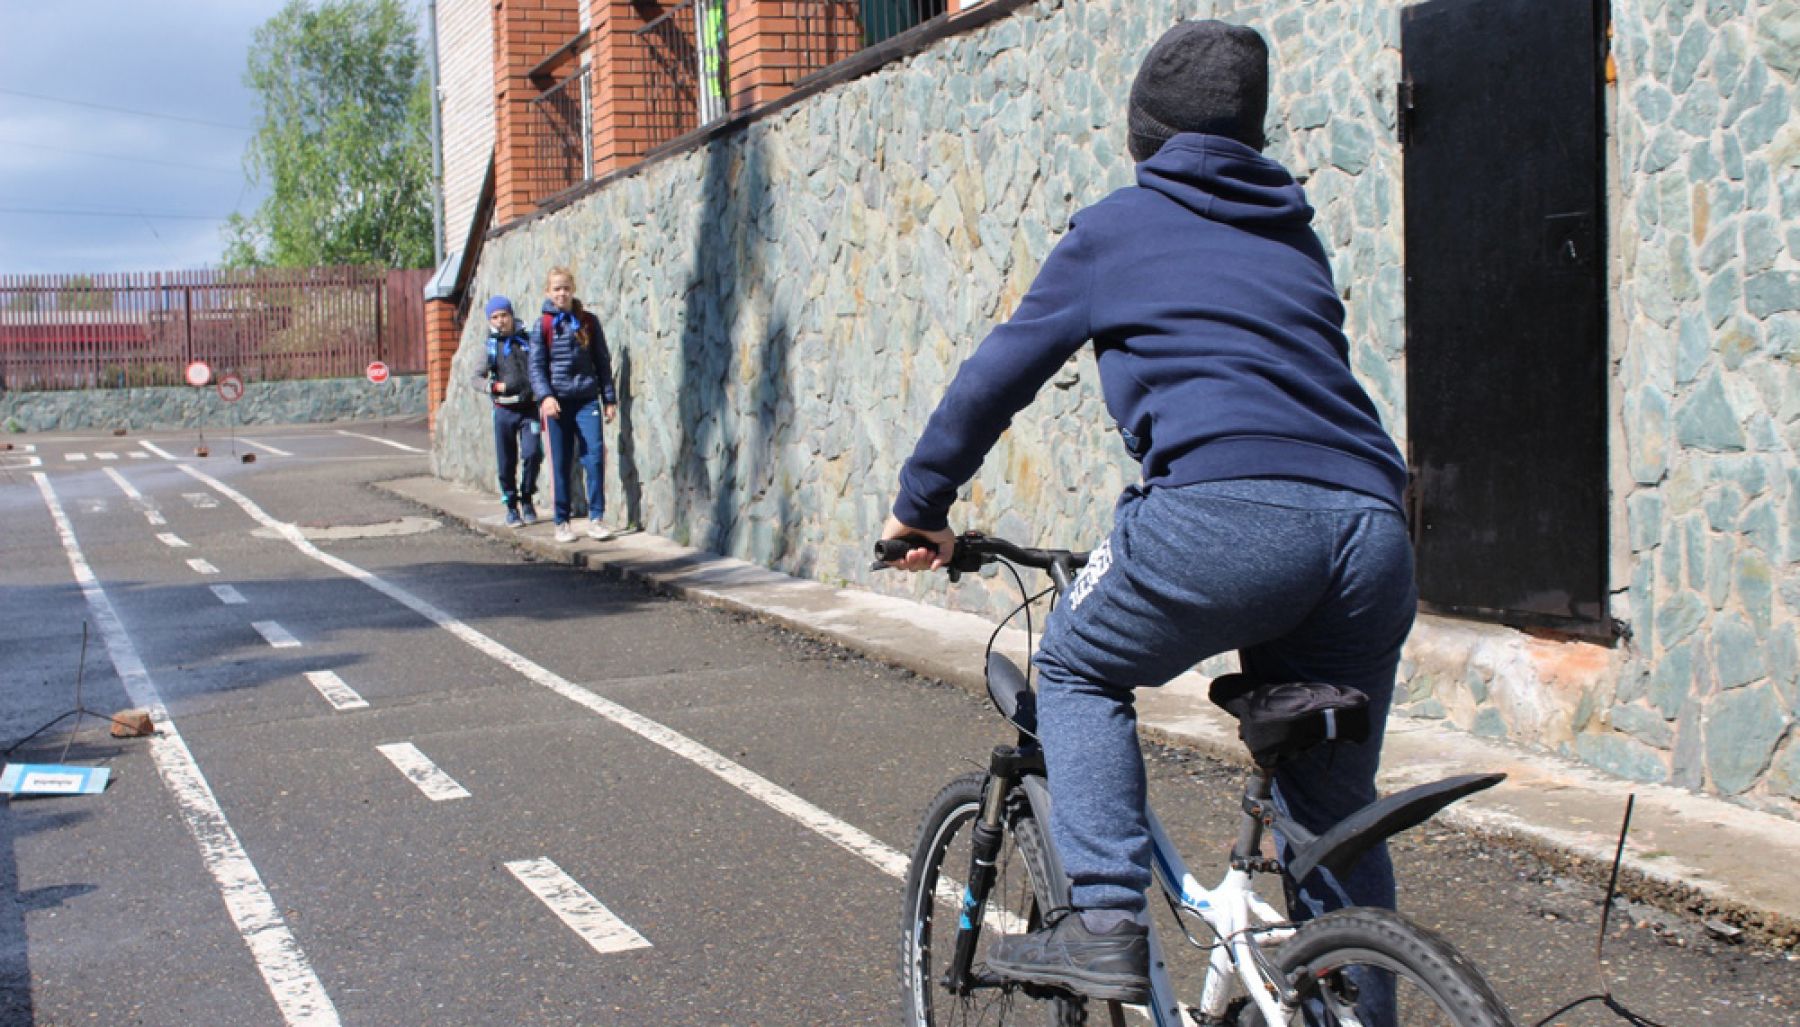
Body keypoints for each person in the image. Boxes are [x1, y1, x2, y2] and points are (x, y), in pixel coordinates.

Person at [881, 20, 1415, 1020]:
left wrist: (922, 506)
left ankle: (1106, 925)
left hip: (1221, 515)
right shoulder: (1292, 232)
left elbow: (995, 377)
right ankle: (1355, 999)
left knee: (1079, 664)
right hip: (1372, 531)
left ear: (1145, 133)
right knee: (1331, 811)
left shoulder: (1115, 230)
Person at [528, 266, 618, 544]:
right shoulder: (542, 325)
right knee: (561, 462)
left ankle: (596, 518)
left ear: (573, 289)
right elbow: (536, 367)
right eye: (556, 288)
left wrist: (609, 399)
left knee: (594, 458)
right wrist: (546, 397)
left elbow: (602, 361)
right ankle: (562, 521)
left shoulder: (588, 321)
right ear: (548, 292)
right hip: (557, 404)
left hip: (586, 399)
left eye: (566, 287)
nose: (562, 293)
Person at [471, 296, 542, 528]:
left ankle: (527, 498)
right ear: (490, 320)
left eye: (504, 315)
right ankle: (511, 506)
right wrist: (493, 387)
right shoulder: (490, 347)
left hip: (529, 408)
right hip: (504, 411)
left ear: (511, 315)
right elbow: (475, 377)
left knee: (532, 454)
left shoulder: (528, 340)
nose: (500, 321)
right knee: (506, 461)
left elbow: (540, 366)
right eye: (495, 317)